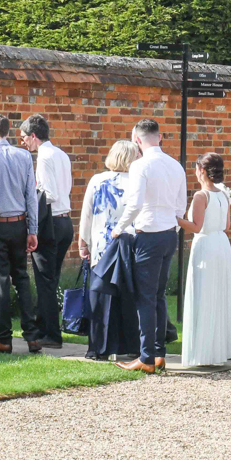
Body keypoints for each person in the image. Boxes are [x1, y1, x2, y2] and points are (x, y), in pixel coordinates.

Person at [115, 119, 188, 374]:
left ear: (137, 140)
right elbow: (181, 205)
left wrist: (119, 227)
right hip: (169, 234)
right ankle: (158, 353)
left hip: (148, 234)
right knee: (158, 294)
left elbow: (134, 204)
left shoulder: (139, 165)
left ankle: (146, 357)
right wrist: (174, 227)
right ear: (159, 137)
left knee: (145, 297)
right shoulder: (175, 165)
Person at [0, 114, 40, 354]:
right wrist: (32, 230)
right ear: (7, 131)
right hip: (21, 223)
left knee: (1, 281)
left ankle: (4, 338)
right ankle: (32, 337)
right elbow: (31, 197)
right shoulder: (24, 156)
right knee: (22, 278)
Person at [78, 140, 138, 361]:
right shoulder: (138, 181)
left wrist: (82, 242)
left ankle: (98, 348)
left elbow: (87, 214)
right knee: (130, 297)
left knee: (101, 297)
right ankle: (132, 345)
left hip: (103, 246)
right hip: (130, 245)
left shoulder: (97, 180)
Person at [178, 152, 231, 368]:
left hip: (205, 245)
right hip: (221, 244)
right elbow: (227, 226)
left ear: (201, 170)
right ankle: (216, 351)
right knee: (217, 294)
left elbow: (196, 227)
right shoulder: (224, 194)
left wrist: (175, 219)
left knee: (203, 292)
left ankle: (202, 352)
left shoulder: (201, 196)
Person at [23, 114, 74, 350]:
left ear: (34, 136)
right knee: (50, 280)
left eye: (24, 138)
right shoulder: (61, 154)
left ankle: (52, 334)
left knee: (45, 280)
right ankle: (45, 327)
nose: (23, 142)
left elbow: (48, 194)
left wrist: (30, 201)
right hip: (65, 222)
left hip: (50, 222)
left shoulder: (43, 157)